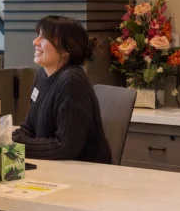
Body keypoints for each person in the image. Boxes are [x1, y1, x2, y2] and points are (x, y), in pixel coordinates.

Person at [12, 15, 112, 164]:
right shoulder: (41, 75)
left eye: (44, 37)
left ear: (65, 50)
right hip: (54, 165)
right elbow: (29, 127)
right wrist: (13, 140)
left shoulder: (71, 81)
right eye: (38, 35)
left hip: (84, 170)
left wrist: (15, 145)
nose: (35, 42)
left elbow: (65, 148)